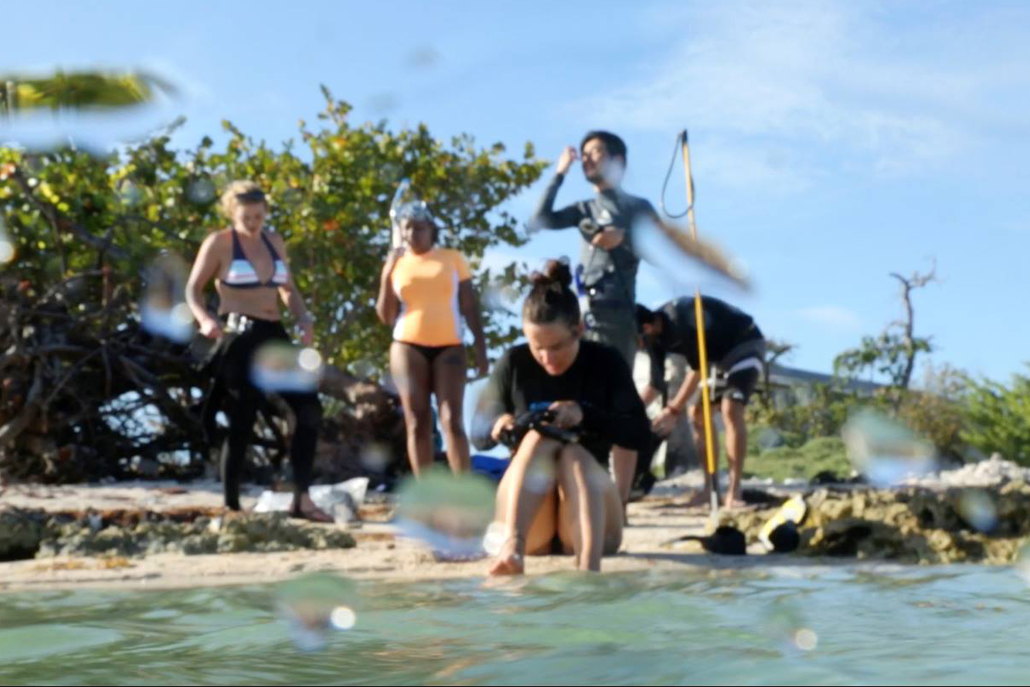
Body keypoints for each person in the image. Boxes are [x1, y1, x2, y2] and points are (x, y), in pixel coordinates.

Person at [473, 260, 649, 574]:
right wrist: (501, 423)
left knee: (573, 452)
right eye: (537, 347)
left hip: (590, 513)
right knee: (540, 434)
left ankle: (589, 568)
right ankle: (513, 548)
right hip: (530, 516)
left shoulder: (606, 362)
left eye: (556, 347)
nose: (546, 358)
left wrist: (584, 415)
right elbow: (478, 432)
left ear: (579, 330)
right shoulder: (514, 362)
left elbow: (637, 433)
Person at [185, 180, 330, 521]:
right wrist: (204, 319)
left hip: (274, 334)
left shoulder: (274, 241)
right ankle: (232, 505)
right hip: (239, 336)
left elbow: (288, 289)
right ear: (232, 213)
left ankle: (302, 499)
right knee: (243, 418)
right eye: (246, 216)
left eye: (259, 215)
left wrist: (303, 318)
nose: (253, 222)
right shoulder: (219, 243)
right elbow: (193, 289)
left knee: (309, 408)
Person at [528, 131, 659, 506]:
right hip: (580, 315)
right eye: (583, 154)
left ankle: (618, 501)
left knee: (620, 404)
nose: (587, 159)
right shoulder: (584, 209)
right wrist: (559, 173)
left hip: (618, 313)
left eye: (595, 153)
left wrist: (626, 240)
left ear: (618, 160)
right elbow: (540, 219)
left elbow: (663, 251)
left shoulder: (637, 207)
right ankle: (579, 490)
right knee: (573, 399)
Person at [376, 201, 488, 477]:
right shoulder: (398, 263)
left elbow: (469, 305)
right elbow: (385, 315)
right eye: (409, 228)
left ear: (431, 229)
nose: (415, 233)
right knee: (418, 419)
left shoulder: (451, 258)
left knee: (452, 420)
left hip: (449, 345)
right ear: (401, 232)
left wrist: (480, 348)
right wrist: (387, 272)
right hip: (407, 344)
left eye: (421, 228)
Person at [636, 296, 766, 509]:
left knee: (730, 409)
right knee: (698, 414)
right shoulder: (654, 340)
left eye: (637, 339)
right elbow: (655, 385)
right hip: (717, 357)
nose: (637, 345)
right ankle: (710, 489)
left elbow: (699, 368)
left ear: (647, 327)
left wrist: (673, 409)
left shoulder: (679, 321)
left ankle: (734, 491)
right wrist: (628, 410)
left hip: (744, 343)